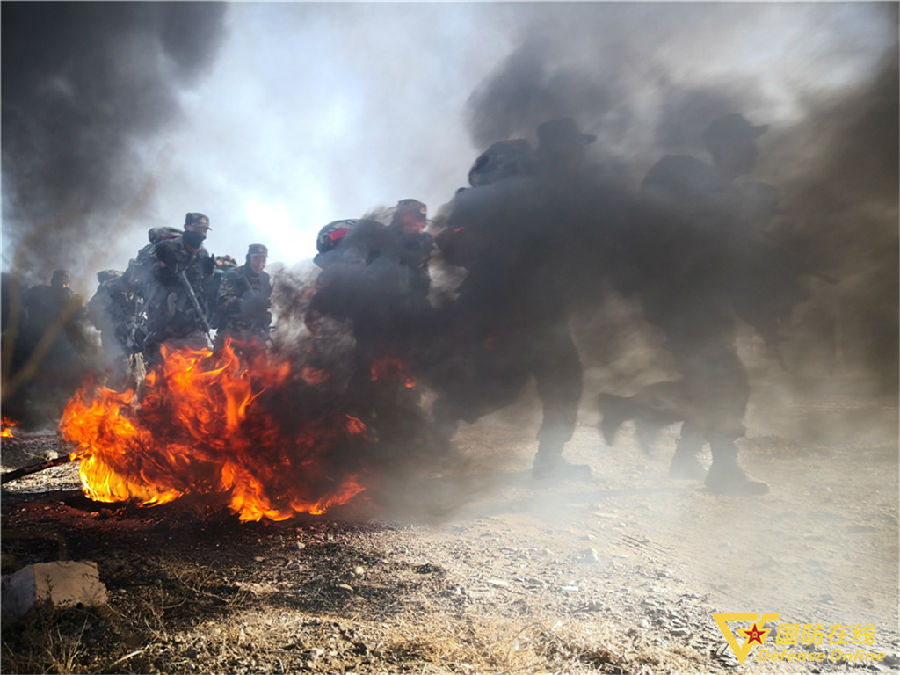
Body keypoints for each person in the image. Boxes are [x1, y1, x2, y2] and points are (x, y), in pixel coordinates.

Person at [610, 113, 781, 495]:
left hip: (700, 307)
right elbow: (699, 250)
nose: (754, 149)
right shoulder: (696, 187)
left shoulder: (715, 190)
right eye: (746, 141)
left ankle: (684, 457)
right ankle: (716, 467)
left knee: (711, 381)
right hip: (686, 308)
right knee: (727, 384)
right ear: (726, 146)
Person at [432, 119, 597, 482]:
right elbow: (457, 247)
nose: (579, 153)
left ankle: (549, 463)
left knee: (561, 382)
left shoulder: (549, 192)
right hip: (509, 308)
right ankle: (429, 437)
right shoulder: (524, 193)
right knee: (500, 387)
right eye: (573, 145)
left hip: (539, 308)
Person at [134, 212, 215, 364]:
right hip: (164, 320)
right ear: (186, 227)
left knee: (198, 367)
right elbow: (141, 273)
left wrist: (209, 276)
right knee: (160, 367)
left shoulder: (202, 253)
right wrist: (163, 267)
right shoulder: (166, 247)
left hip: (192, 320)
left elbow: (203, 287)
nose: (200, 232)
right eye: (197, 228)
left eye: (204, 229)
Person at [215, 244, 272, 347]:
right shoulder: (234, 275)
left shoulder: (265, 278)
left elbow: (267, 302)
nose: (260, 263)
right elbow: (222, 302)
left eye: (263, 259)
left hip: (255, 335)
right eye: (256, 259)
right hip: (232, 332)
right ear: (248, 258)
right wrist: (243, 304)